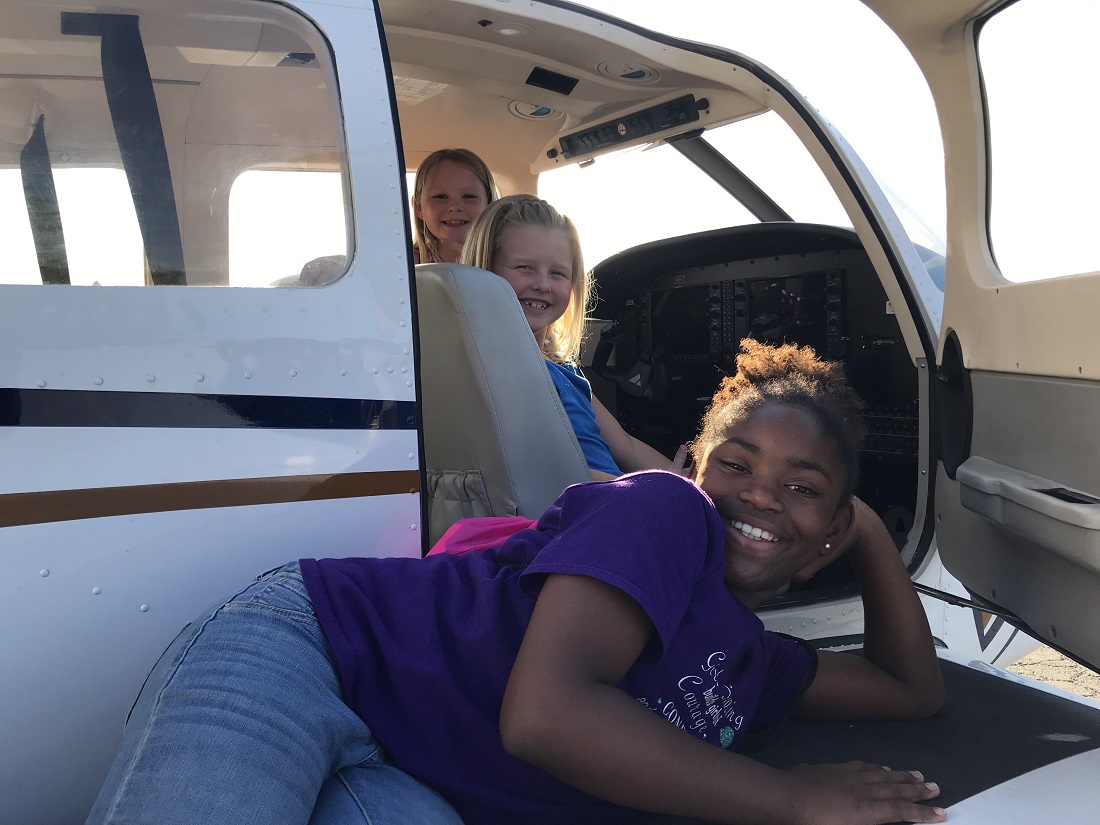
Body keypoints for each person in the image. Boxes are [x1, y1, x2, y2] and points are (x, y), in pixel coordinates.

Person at [86, 339, 946, 825]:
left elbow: (910, 688)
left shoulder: (754, 668)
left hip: (412, 769)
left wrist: (864, 527)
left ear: (830, 528)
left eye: (802, 487)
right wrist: (793, 799)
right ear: (693, 466)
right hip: (312, 651)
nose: (760, 493)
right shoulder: (664, 509)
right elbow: (548, 715)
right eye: (738, 464)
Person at [460, 194, 687, 478]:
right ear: (485, 271)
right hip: (580, 510)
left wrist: (687, 484)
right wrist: (643, 493)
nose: (543, 284)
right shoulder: (499, 373)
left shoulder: (562, 371)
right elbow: (555, 474)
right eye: (525, 268)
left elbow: (627, 447)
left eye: (558, 273)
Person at [412, 148, 499, 264]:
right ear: (418, 207)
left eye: (468, 196)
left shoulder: (504, 264)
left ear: (489, 204)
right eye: (441, 196)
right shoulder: (404, 265)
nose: (454, 206)